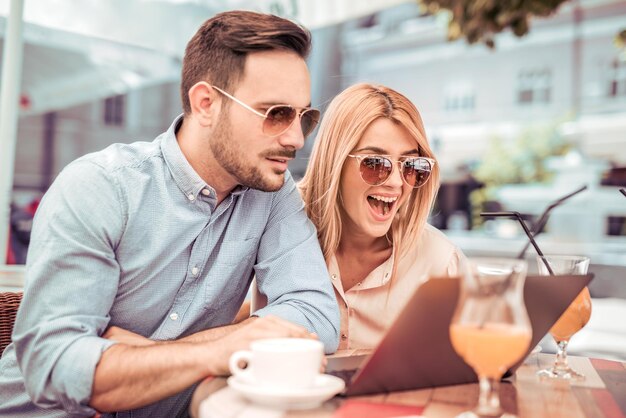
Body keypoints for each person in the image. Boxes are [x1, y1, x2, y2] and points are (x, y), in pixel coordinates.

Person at [0, 11, 340, 417]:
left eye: (305, 117)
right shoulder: (99, 186)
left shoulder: (273, 192)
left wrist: (140, 355)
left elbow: (316, 316)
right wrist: (220, 349)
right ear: (206, 103)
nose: (296, 139)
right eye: (276, 114)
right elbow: (54, 367)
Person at [253, 83, 466, 349]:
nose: (397, 183)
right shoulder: (278, 225)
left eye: (411, 166)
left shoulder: (441, 262)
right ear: (335, 162)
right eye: (375, 164)